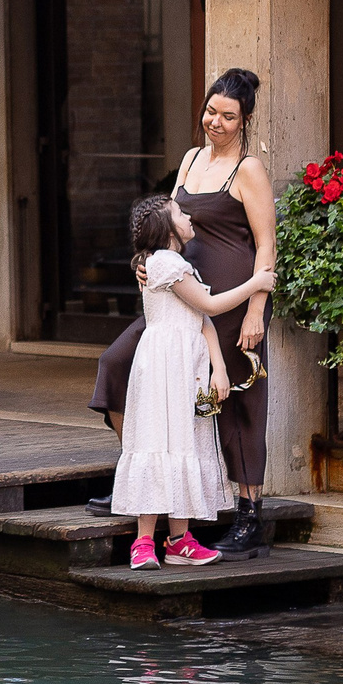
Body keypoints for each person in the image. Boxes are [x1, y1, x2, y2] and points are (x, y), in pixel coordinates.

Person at [89, 67, 283, 555]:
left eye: (228, 116)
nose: (215, 122)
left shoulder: (250, 170)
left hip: (234, 300)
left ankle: (248, 512)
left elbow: (266, 246)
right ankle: (147, 482)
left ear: (246, 120)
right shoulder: (191, 158)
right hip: (182, 297)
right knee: (117, 364)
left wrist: (257, 309)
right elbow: (164, 224)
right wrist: (146, 262)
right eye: (210, 112)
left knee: (237, 401)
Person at [110, 194, 273, 569]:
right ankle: (144, 541)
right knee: (159, 440)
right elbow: (211, 305)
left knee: (182, 441)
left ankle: (180, 540)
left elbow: (202, 320)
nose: (188, 215)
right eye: (180, 213)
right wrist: (257, 283)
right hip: (165, 366)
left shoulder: (176, 263)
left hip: (187, 366)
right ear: (167, 230)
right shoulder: (165, 263)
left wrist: (219, 366)